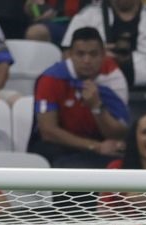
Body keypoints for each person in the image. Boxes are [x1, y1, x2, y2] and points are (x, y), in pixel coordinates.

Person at [29, 25, 129, 168]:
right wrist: (95, 146)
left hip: (100, 141)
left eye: (93, 54)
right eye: (80, 54)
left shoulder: (113, 78)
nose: (87, 60)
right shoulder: (51, 78)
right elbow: (48, 131)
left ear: (103, 55)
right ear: (70, 55)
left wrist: (97, 107)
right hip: (61, 144)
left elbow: (119, 133)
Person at [61, 0, 146, 99]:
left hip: (145, 89)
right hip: (96, 87)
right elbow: (68, 56)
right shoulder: (87, 15)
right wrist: (97, 55)